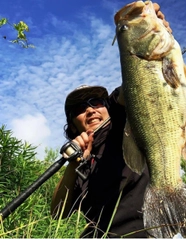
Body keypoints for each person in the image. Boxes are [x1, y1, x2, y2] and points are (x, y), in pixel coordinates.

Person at [51, 4, 172, 238]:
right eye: (79, 107)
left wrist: (150, 37)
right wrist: (74, 165)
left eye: (96, 101)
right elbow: (57, 213)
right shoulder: (80, 161)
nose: (90, 110)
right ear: (72, 123)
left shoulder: (120, 118)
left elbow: (137, 84)